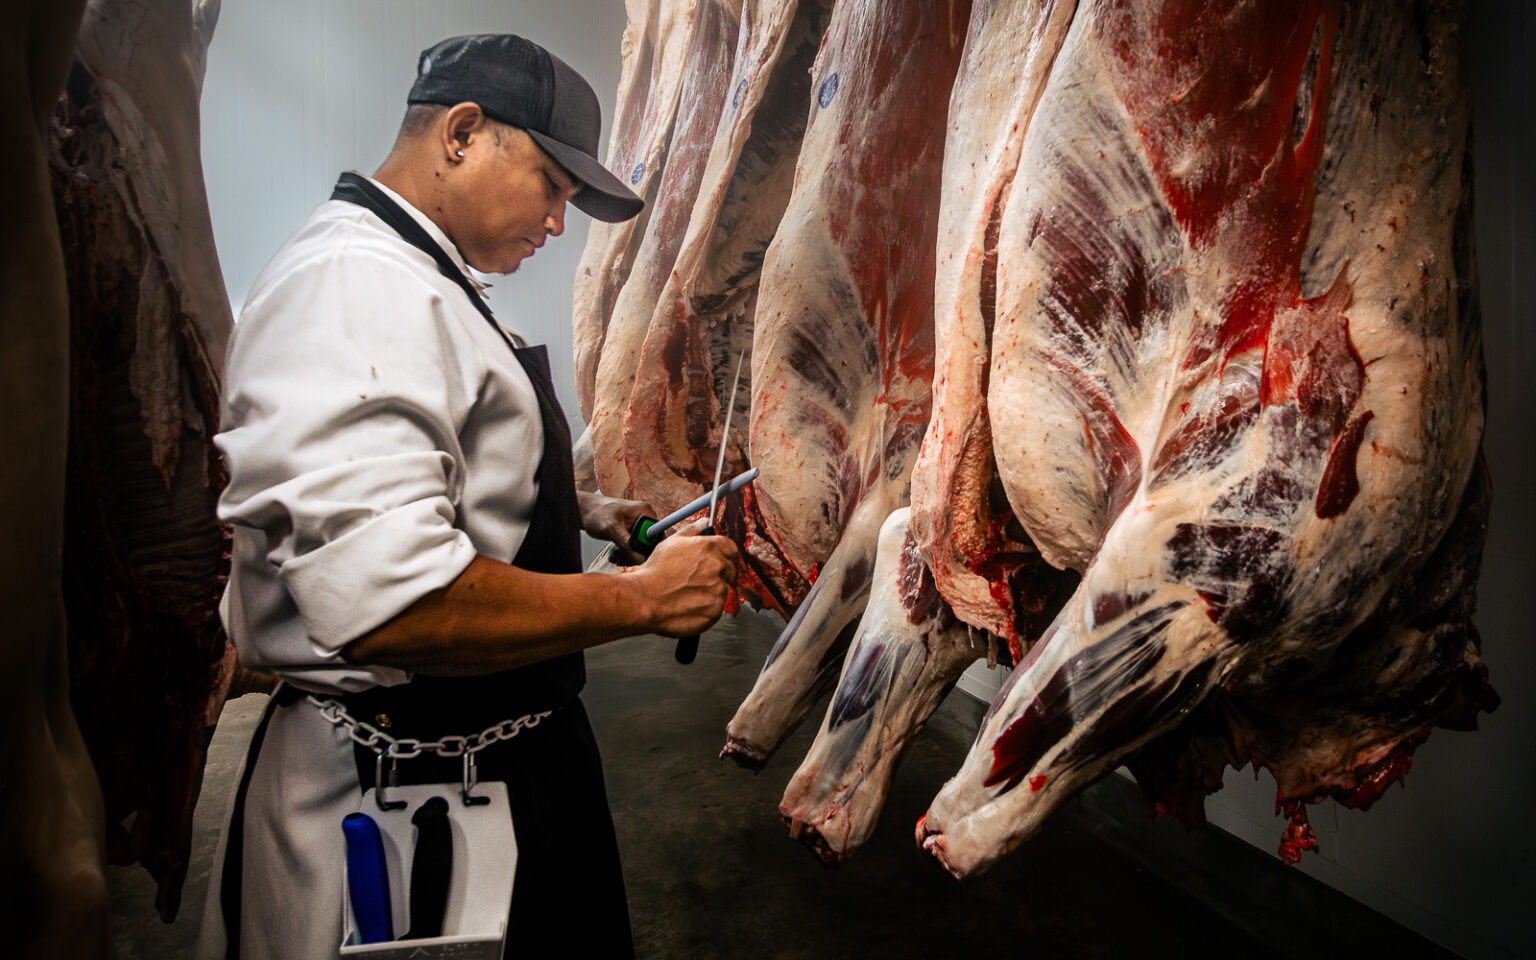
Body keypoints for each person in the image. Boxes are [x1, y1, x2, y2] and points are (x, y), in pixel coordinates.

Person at [196, 34, 737, 960]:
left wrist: (577, 509)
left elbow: (436, 466)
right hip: (401, 784)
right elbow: (393, 605)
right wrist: (642, 601)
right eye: (552, 188)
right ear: (462, 132)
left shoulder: (418, 275)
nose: (559, 226)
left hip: (486, 760)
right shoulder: (357, 287)